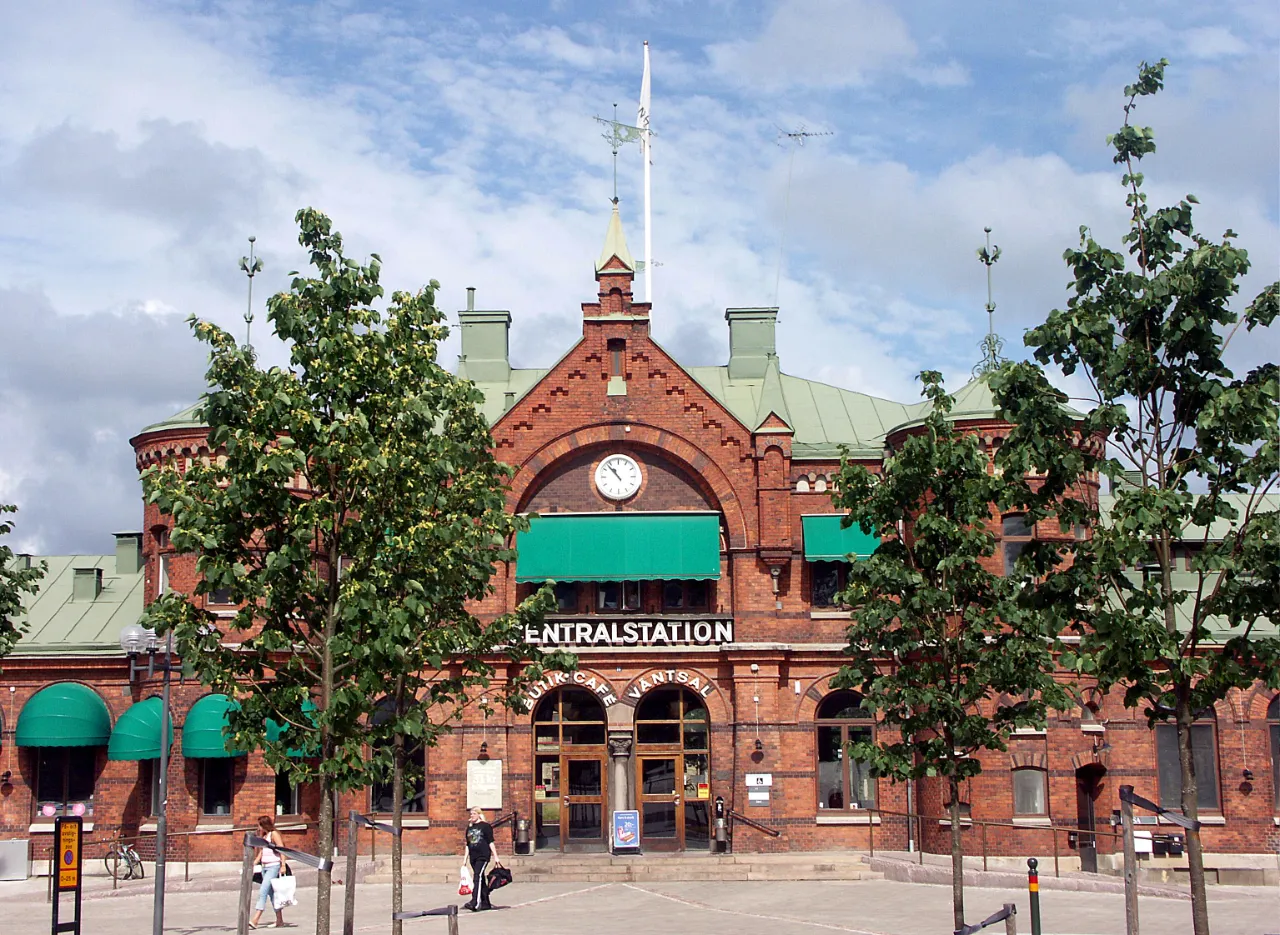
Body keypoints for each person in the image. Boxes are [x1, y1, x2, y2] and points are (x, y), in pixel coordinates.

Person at [250, 814, 290, 929]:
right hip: (264, 867)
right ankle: (279, 920)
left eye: (259, 825)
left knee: (263, 891)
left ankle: (255, 919)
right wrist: (254, 863)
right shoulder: (265, 836)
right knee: (271, 894)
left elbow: (282, 849)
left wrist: (283, 865)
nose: (258, 828)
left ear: (264, 825)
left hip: (274, 866)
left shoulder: (274, 834)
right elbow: (262, 852)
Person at [461, 806, 501, 911]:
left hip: (483, 856)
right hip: (473, 856)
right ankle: (485, 902)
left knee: (477, 876)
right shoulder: (470, 828)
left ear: (479, 814)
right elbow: (468, 844)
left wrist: (496, 856)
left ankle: (474, 902)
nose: (472, 816)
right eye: (471, 814)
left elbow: (490, 842)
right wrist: (465, 859)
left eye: (474, 814)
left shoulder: (485, 827)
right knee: (481, 879)